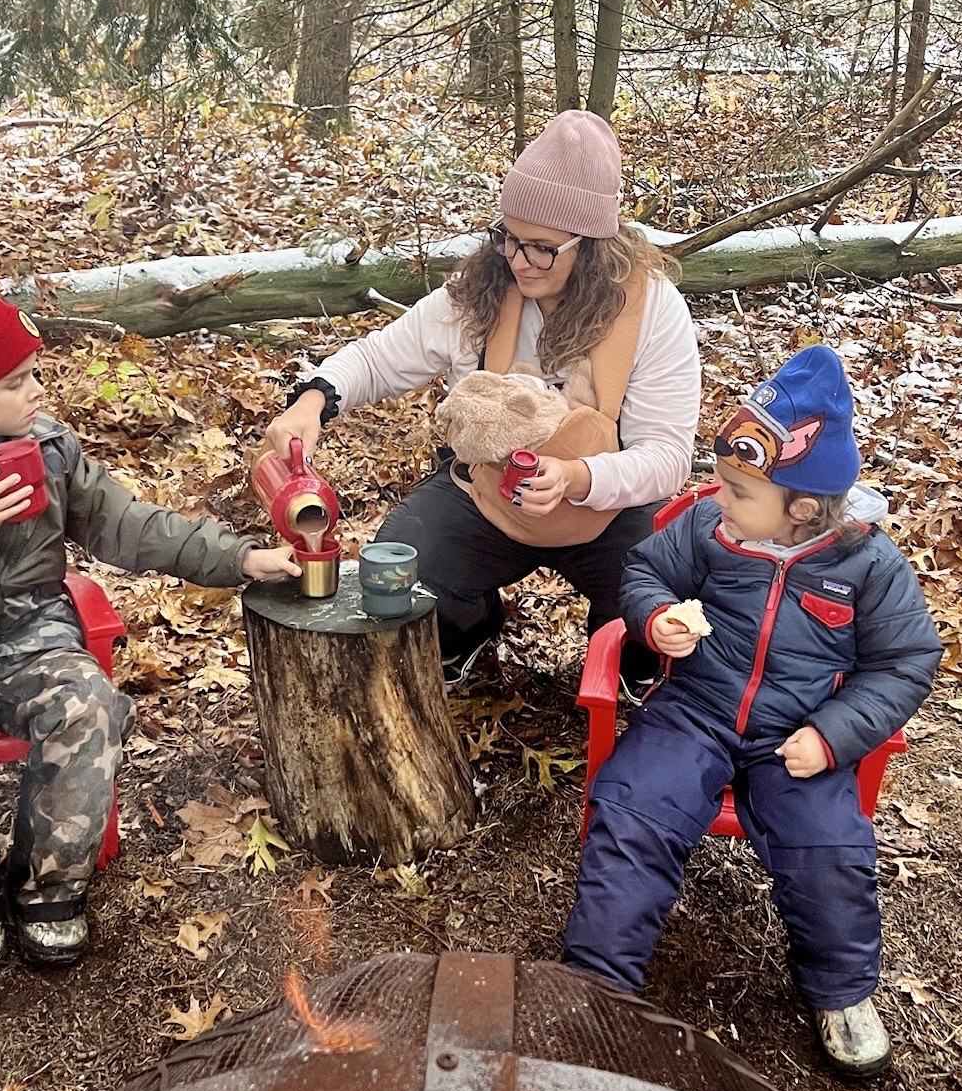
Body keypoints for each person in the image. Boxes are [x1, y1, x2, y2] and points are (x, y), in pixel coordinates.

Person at [0, 267, 300, 986]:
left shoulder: (49, 450)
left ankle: (49, 888)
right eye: (15, 382)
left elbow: (127, 525)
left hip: (30, 635)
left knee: (89, 709)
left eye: (33, 374)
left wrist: (241, 557)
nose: (37, 391)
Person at [561, 345, 942, 1079]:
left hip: (798, 732)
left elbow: (904, 663)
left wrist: (833, 737)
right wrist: (658, 616)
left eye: (739, 492)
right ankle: (598, 986)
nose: (719, 500)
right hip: (695, 708)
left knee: (829, 850)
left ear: (801, 509)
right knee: (633, 813)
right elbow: (643, 571)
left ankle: (841, 991)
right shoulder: (709, 528)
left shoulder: (868, 565)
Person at [264, 110, 700, 686]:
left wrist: (575, 479)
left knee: (665, 606)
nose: (519, 261)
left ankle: (621, 659)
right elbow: (375, 359)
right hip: (484, 490)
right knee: (404, 571)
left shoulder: (652, 310)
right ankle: (469, 625)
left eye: (542, 248)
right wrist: (313, 400)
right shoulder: (481, 293)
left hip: (608, 504)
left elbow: (668, 458)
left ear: (591, 245)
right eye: (509, 239)